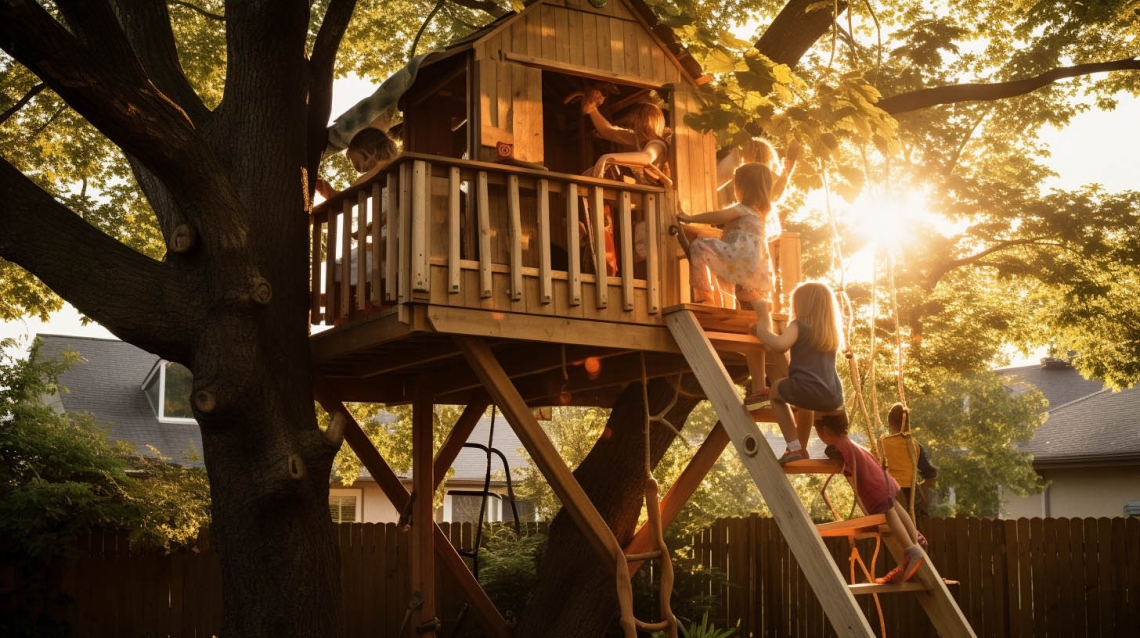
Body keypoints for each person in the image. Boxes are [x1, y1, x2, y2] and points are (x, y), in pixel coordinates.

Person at [677, 163, 776, 408]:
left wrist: (688, 217)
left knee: (700, 247)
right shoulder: (761, 213)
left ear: (744, 187)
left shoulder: (742, 209)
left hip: (738, 259)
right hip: (755, 269)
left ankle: (705, 296)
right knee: (752, 326)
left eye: (736, 185)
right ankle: (760, 387)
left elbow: (718, 217)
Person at [814, 411, 929, 584]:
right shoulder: (851, 444)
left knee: (889, 514)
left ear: (826, 432)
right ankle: (915, 539)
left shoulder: (836, 447)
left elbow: (833, 459)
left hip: (873, 485)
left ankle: (911, 549)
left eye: (817, 431)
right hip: (882, 479)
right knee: (896, 508)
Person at [750, 281, 843, 463]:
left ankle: (795, 447)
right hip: (833, 395)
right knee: (805, 403)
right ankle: (827, 447)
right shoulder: (830, 332)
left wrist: (762, 322)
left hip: (807, 389)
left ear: (802, 304)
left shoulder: (798, 325)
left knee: (776, 391)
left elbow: (779, 346)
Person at [569, 87, 670, 183]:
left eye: (636, 117)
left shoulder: (657, 143)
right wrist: (593, 110)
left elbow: (647, 157)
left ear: (644, 120)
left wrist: (608, 158)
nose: (632, 121)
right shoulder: (635, 137)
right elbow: (608, 131)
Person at [881, 403, 938, 517]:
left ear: (889, 423)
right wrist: (919, 487)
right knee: (918, 519)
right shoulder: (915, 445)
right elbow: (931, 475)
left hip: (889, 493)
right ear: (908, 423)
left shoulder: (882, 443)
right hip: (910, 495)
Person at [316, 127, 399, 199]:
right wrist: (326, 190)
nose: (365, 173)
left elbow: (348, 195)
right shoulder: (388, 171)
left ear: (367, 152)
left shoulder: (383, 166)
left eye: (357, 162)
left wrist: (328, 189)